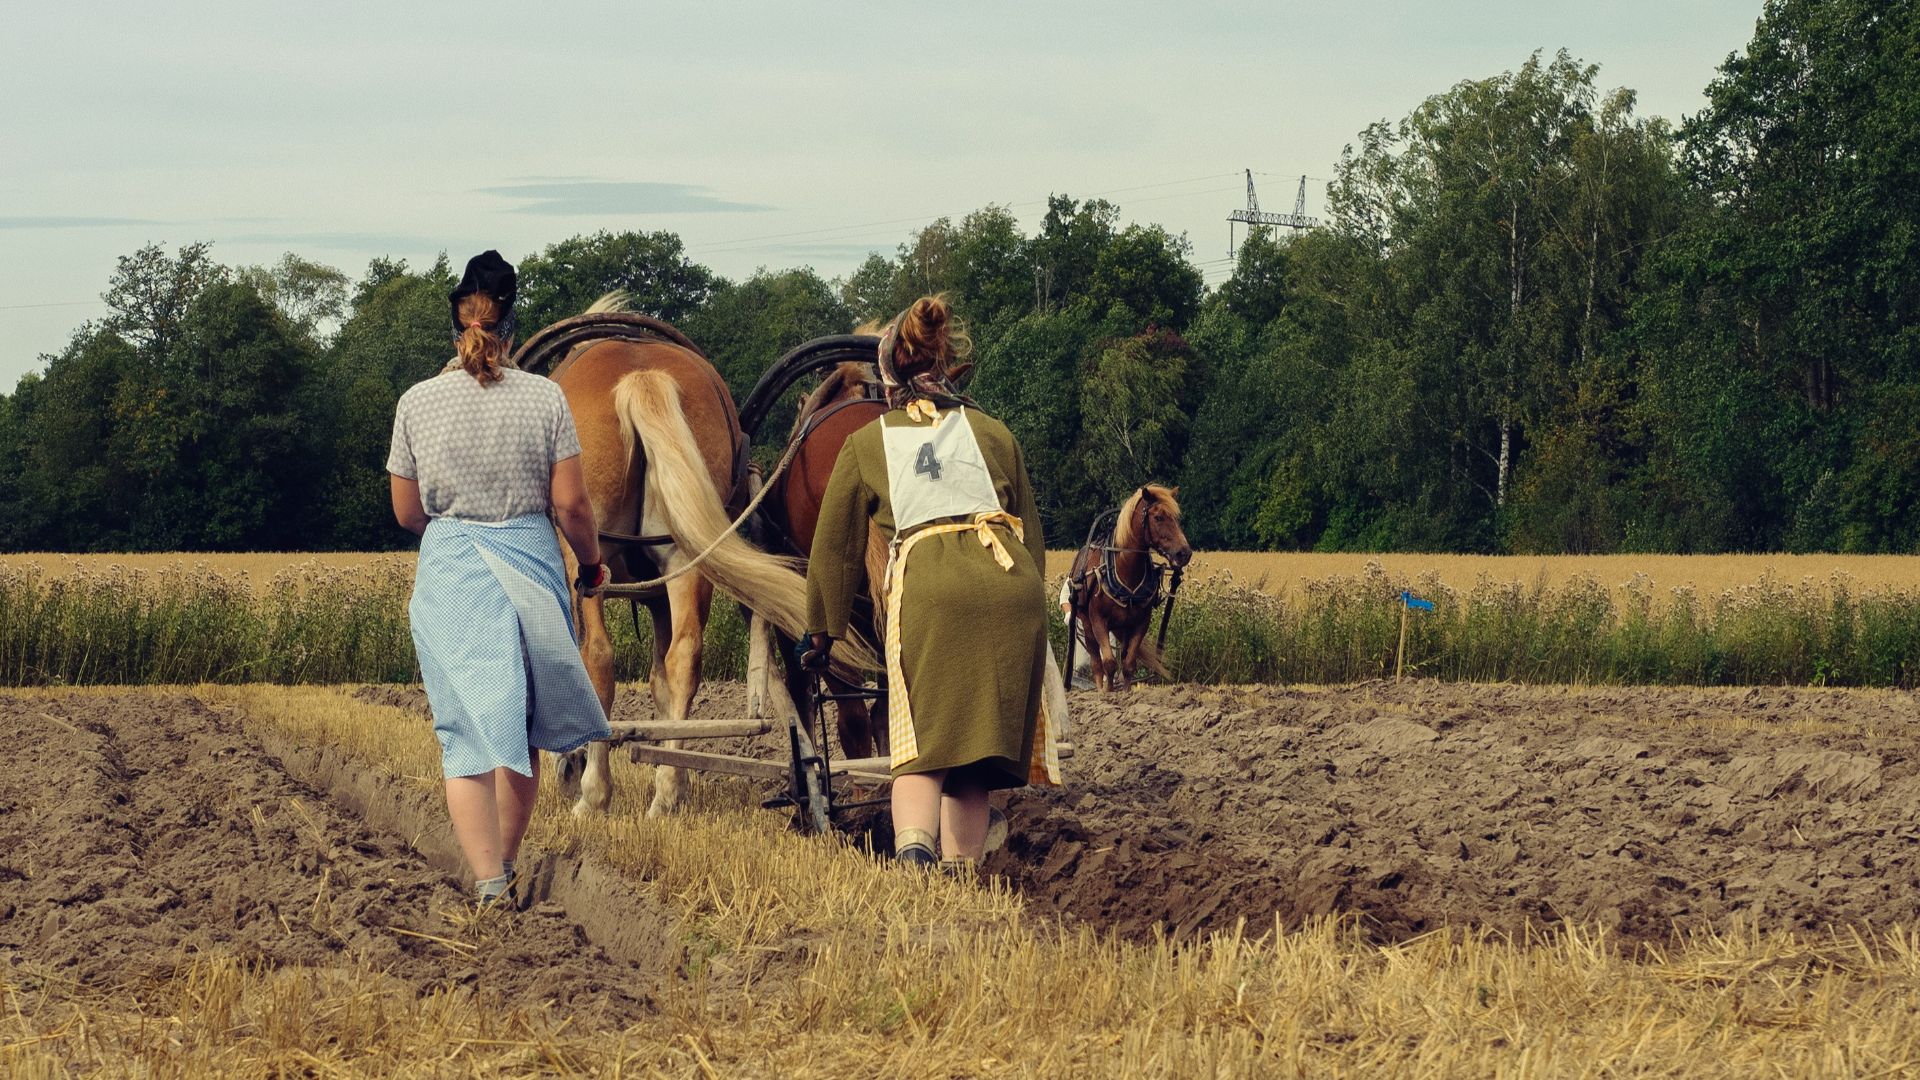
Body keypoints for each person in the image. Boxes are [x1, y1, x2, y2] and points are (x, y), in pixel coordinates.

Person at [803, 294, 1062, 876]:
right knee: (971, 758)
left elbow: (836, 547)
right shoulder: (994, 433)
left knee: (919, 748)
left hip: (933, 594)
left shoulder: (869, 442)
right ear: (944, 366)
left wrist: (822, 630)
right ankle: (960, 874)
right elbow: (1034, 538)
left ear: (888, 377)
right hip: (1010, 589)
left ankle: (915, 859)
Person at [386, 250, 612, 907]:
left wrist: (457, 531)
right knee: (522, 730)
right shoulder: (545, 399)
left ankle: (486, 879)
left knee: (466, 736)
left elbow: (406, 512)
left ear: (456, 326)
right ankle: (508, 867)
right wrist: (592, 565)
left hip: (451, 571)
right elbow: (571, 505)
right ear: (513, 325)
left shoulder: (417, 403)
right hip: (532, 571)